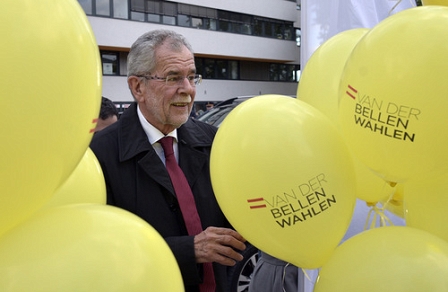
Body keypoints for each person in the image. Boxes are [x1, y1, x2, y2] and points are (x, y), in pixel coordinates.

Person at [90, 29, 246, 292]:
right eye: (173, 77)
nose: (187, 89)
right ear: (137, 87)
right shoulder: (99, 156)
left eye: (191, 77)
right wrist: (188, 250)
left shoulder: (215, 142)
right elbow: (100, 249)